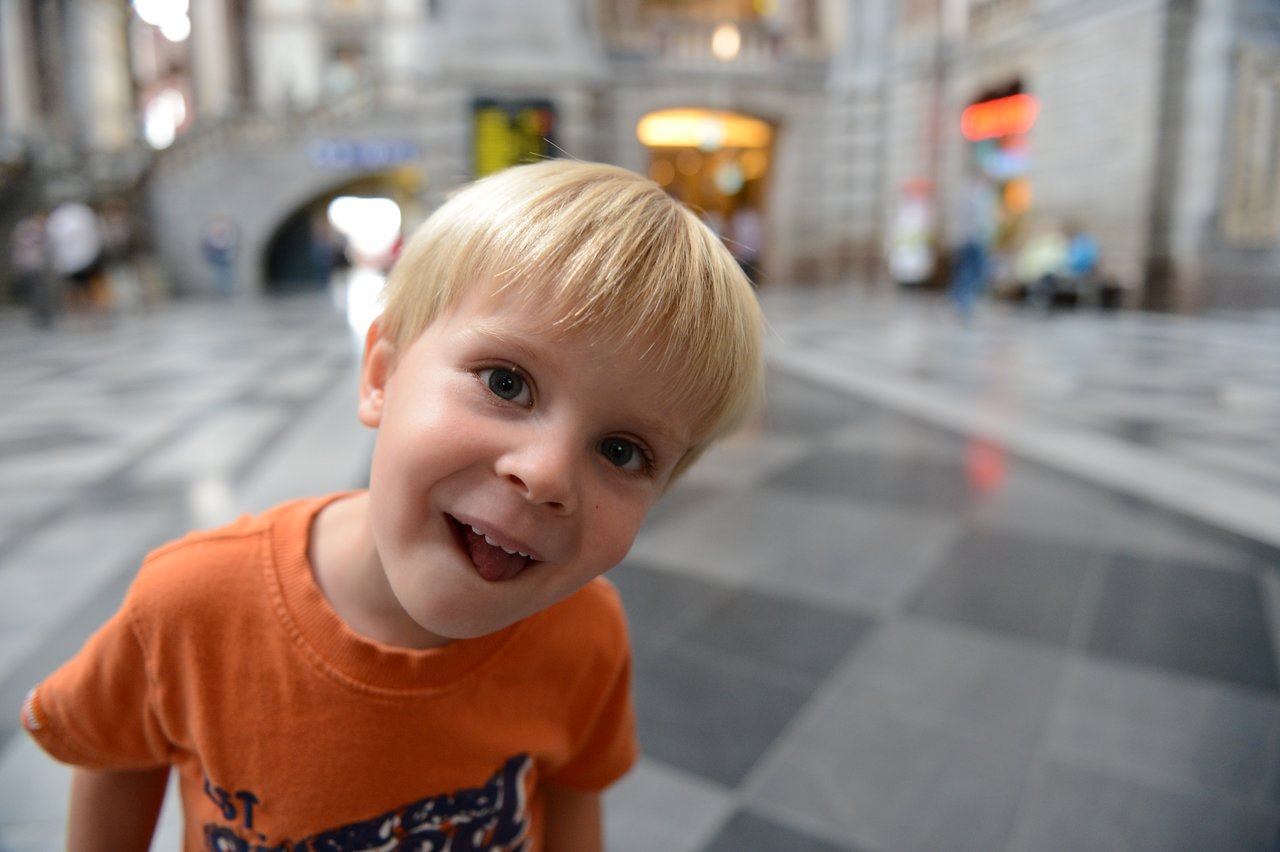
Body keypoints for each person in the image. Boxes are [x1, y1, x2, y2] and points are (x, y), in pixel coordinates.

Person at [21, 160, 765, 851]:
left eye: (622, 451)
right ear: (381, 374)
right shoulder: (190, 605)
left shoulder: (587, 635)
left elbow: (572, 797)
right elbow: (115, 755)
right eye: (506, 383)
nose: (545, 476)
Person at [946, 172, 999, 318]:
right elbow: (975, 221)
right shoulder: (975, 196)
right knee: (973, 271)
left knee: (972, 271)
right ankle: (962, 300)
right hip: (973, 239)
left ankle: (962, 299)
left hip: (974, 238)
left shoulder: (978, 195)